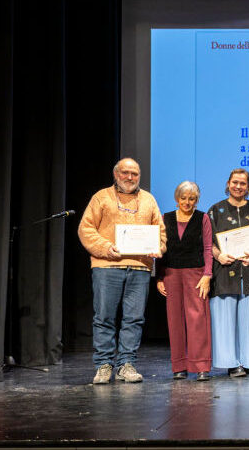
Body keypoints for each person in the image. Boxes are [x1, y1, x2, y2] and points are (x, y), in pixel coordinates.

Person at [78, 157, 165, 384]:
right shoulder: (101, 197)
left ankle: (126, 364)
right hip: (107, 265)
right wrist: (106, 247)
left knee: (134, 319)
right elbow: (86, 229)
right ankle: (104, 365)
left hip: (139, 266)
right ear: (116, 174)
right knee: (104, 317)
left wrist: (158, 247)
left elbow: (160, 232)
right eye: (125, 172)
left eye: (134, 174)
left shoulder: (148, 199)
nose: (130, 177)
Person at [207, 169, 249, 377]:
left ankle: (246, 362)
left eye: (243, 183)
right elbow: (208, 242)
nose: (238, 186)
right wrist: (218, 255)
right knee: (224, 320)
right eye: (235, 182)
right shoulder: (215, 210)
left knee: (248, 321)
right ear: (228, 184)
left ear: (248, 187)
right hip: (223, 271)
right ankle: (230, 363)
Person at [157, 181, 213, 382]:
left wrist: (207, 275)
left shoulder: (202, 218)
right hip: (171, 274)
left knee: (198, 319)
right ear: (177, 198)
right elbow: (160, 248)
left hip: (196, 274)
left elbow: (208, 248)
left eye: (192, 199)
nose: (187, 202)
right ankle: (179, 366)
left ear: (196, 200)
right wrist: (159, 277)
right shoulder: (166, 218)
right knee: (175, 320)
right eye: (183, 198)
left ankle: (201, 366)